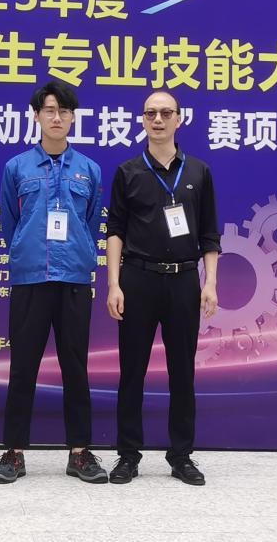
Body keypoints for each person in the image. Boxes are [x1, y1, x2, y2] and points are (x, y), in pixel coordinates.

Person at [0, 82, 107, 484]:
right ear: (37, 116)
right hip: (30, 278)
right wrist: (26, 250)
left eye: (64, 111)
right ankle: (13, 452)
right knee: (23, 367)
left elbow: (91, 223)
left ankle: (80, 453)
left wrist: (78, 252)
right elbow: (10, 222)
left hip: (74, 278)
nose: (57, 118)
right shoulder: (17, 167)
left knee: (76, 367)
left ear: (73, 117)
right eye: (49, 110)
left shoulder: (89, 169)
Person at [105, 90, 220, 486]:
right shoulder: (128, 172)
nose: (158, 120)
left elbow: (209, 234)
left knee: (182, 371)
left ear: (179, 119)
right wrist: (114, 283)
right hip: (138, 279)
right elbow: (115, 231)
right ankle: (128, 455)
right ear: (142, 120)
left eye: (166, 113)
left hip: (184, 280)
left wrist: (210, 283)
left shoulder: (199, 172)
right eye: (151, 113)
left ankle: (181, 455)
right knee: (132, 371)